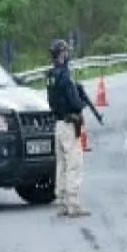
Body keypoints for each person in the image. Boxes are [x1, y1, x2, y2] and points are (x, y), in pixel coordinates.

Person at [45, 38, 89, 217]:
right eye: (65, 52)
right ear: (62, 53)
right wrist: (81, 104)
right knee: (74, 163)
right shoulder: (64, 75)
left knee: (61, 164)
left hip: (58, 123)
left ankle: (62, 201)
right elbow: (73, 100)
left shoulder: (50, 75)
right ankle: (73, 204)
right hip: (69, 124)